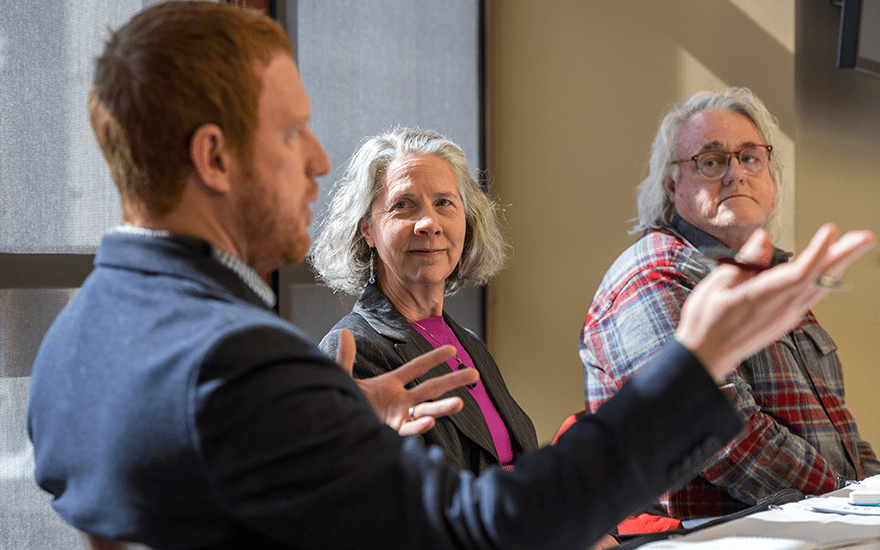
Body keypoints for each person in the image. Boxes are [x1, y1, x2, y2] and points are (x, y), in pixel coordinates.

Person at [25, 4, 875, 549]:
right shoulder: (235, 363)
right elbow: (488, 532)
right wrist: (695, 366)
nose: (320, 160)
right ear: (212, 157)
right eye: (293, 134)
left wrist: (334, 427)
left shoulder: (74, 343)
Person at [579, 87, 880, 521]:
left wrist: (868, 490)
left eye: (750, 157)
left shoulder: (769, 275)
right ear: (672, 185)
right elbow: (719, 438)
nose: (735, 174)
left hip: (815, 522)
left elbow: (838, 430)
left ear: (771, 178)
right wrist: (847, 498)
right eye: (712, 160)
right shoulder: (653, 274)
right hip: (703, 537)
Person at [310, 127, 538, 475]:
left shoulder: (468, 343)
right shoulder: (353, 350)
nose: (429, 223)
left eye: (444, 203)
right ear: (367, 230)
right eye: (403, 205)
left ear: (466, 220)